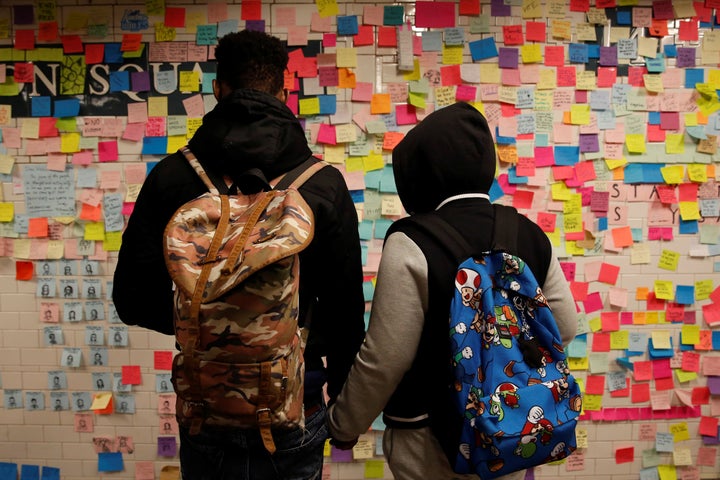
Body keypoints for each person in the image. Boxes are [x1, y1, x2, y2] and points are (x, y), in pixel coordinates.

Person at [112, 29, 366, 480]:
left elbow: (131, 298)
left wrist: (207, 320)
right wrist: (344, 414)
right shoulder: (323, 185)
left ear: (216, 89)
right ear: (284, 92)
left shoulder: (173, 177)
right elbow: (346, 318)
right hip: (295, 406)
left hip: (206, 408)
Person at [327, 103, 578, 480]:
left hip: (427, 438)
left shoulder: (411, 240)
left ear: (421, 172)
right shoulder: (527, 233)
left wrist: (344, 425)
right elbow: (564, 325)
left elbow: (385, 358)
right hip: (506, 429)